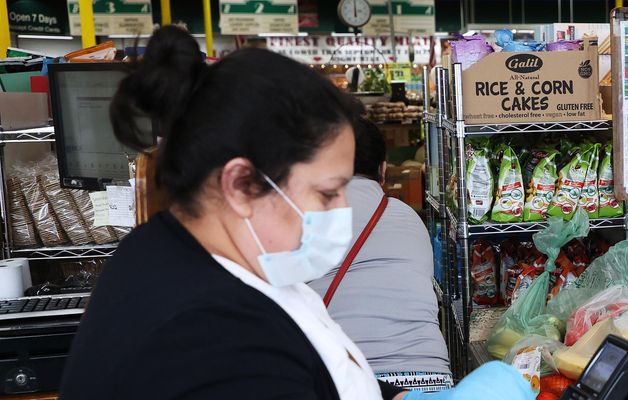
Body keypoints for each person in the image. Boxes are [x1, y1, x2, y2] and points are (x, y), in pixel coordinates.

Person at [60, 26, 531, 400]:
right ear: (241, 185)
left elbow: (312, 370)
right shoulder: (208, 336)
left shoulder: (187, 254)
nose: (341, 210)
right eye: (327, 193)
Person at [307, 117, 452, 392]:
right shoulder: (410, 218)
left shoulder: (305, 219)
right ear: (383, 170)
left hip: (346, 379)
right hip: (429, 379)